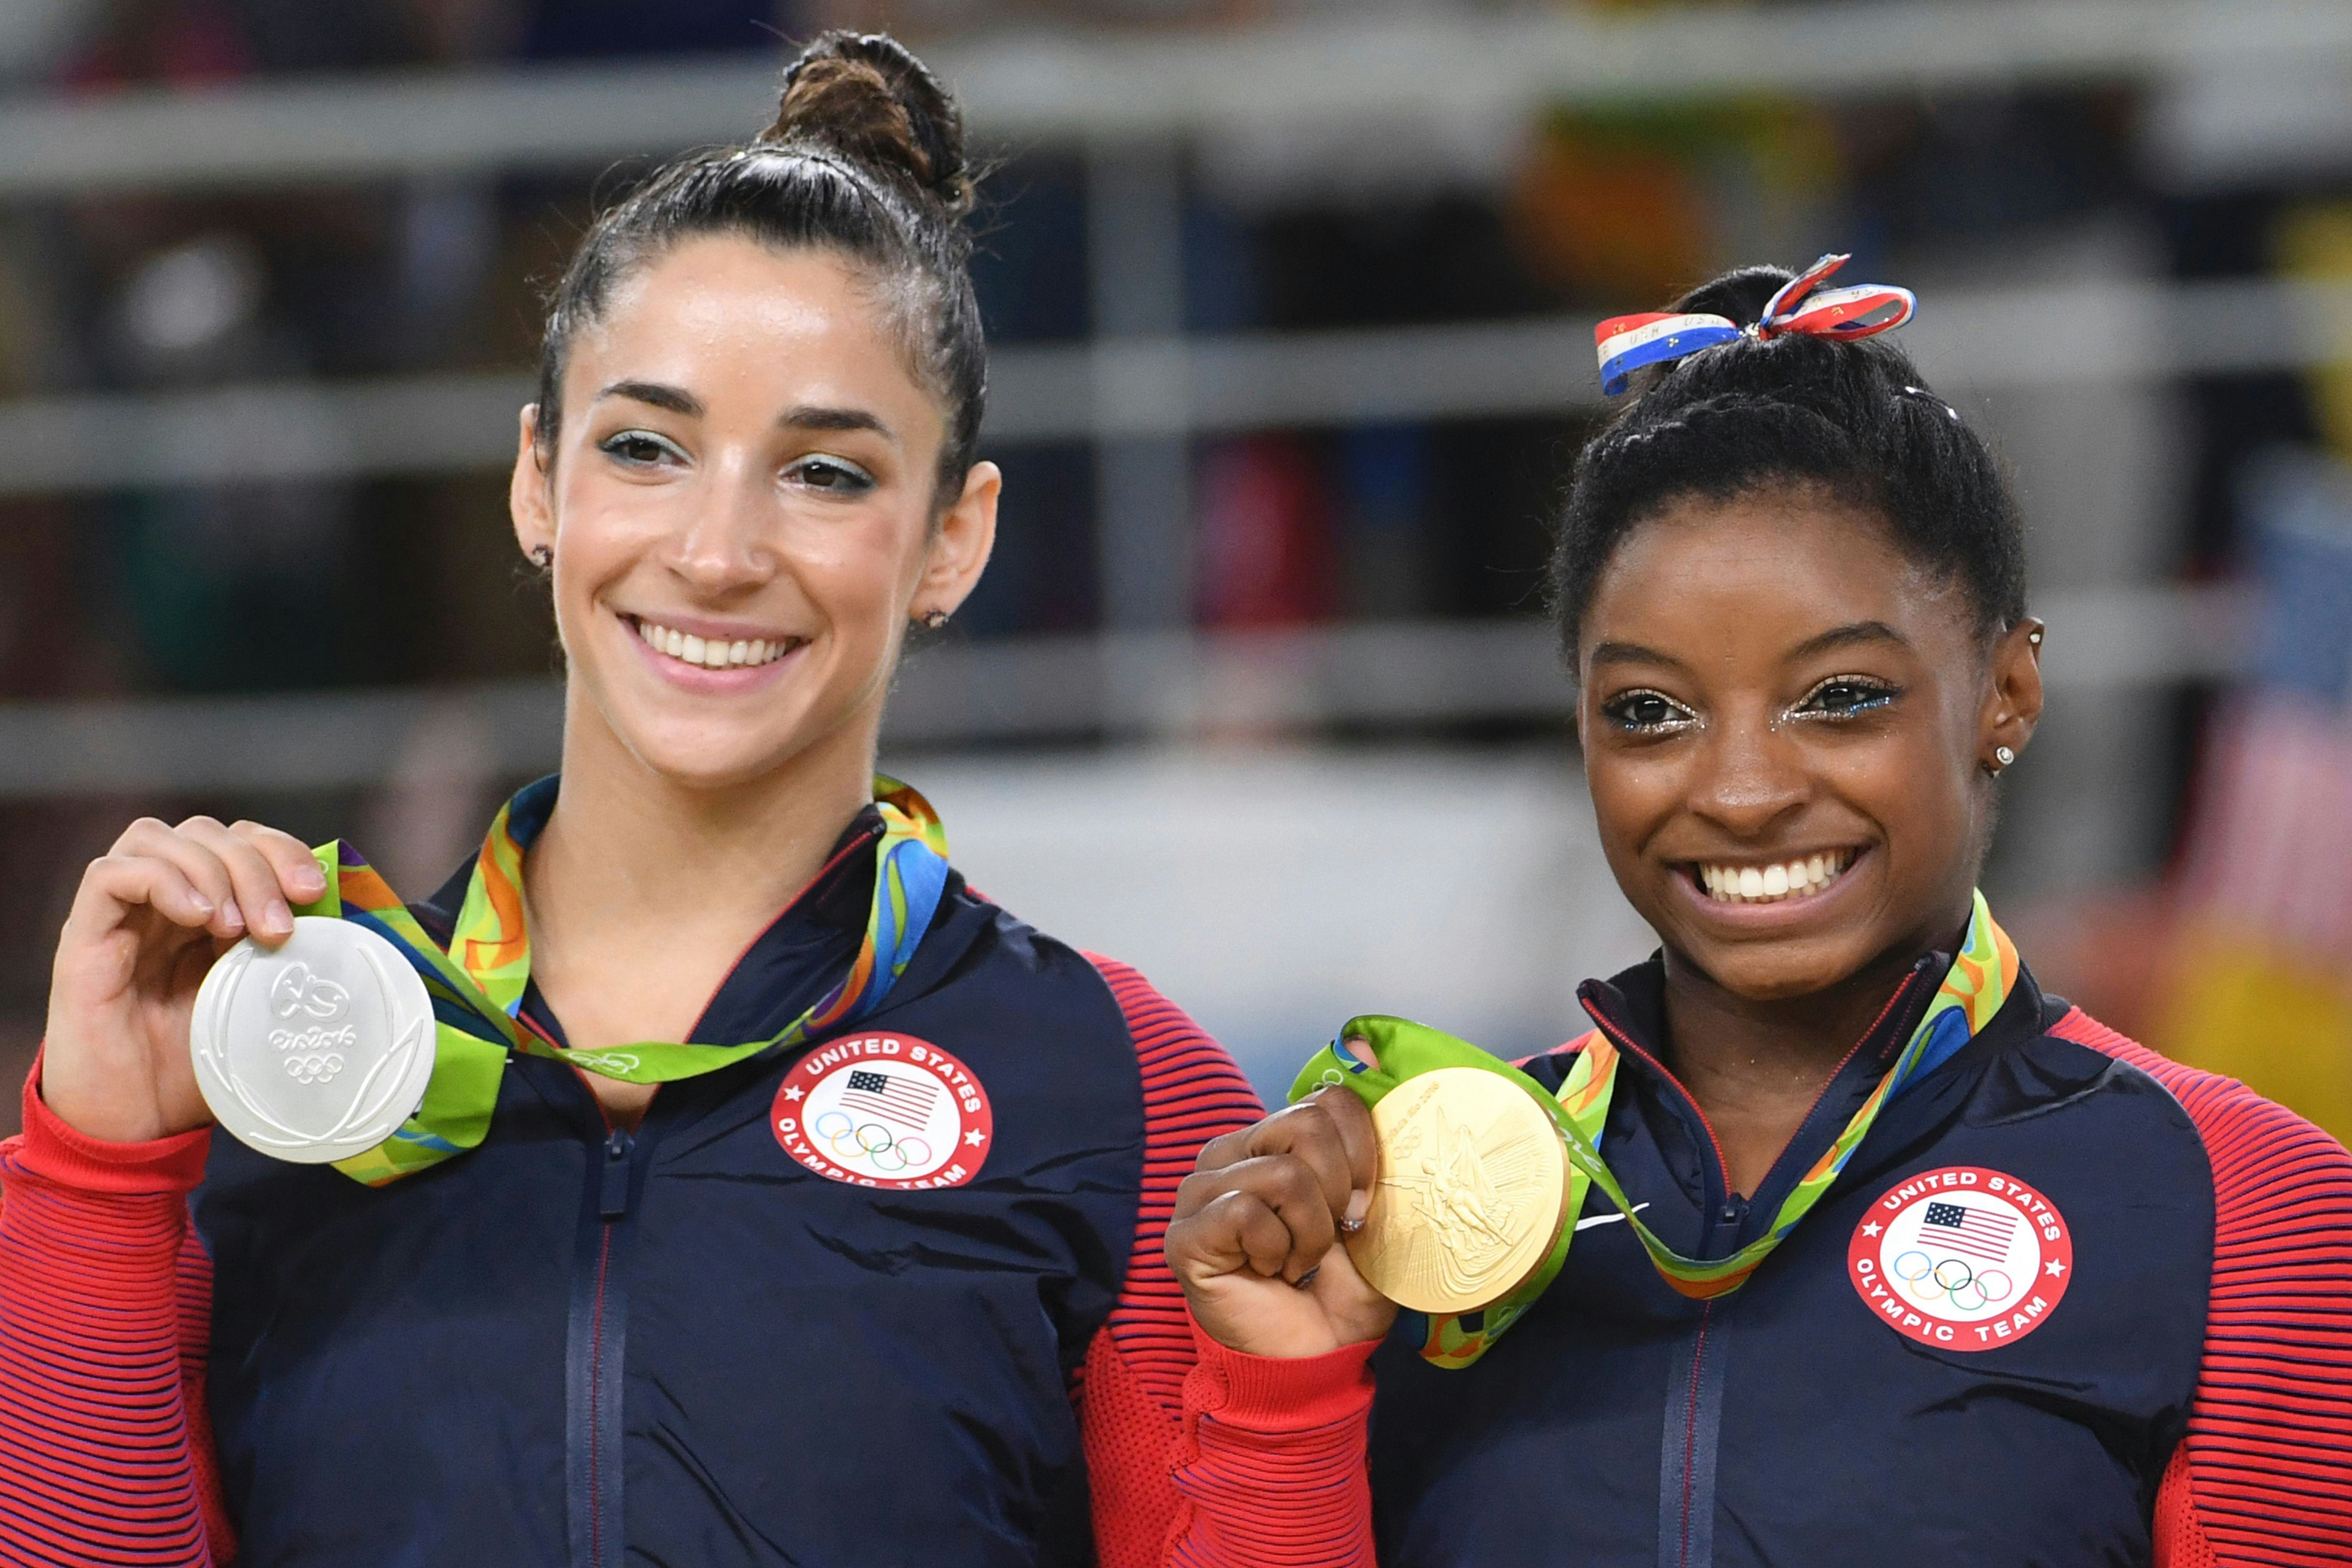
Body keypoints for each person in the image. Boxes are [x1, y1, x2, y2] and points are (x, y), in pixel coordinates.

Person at [0, 33, 1314, 1567]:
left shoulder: (1127, 1095)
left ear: (954, 540)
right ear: (536, 482)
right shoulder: (280, 1057)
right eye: (645, 447)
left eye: (826, 474)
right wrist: (100, 1176)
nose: (716, 549)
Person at [1165, 260, 2352, 1565]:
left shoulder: (2254, 1214)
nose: (1739, 792)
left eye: (1840, 696)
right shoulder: (1403, 1210)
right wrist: (1285, 1394)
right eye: (1651, 712)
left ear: (2006, 691)